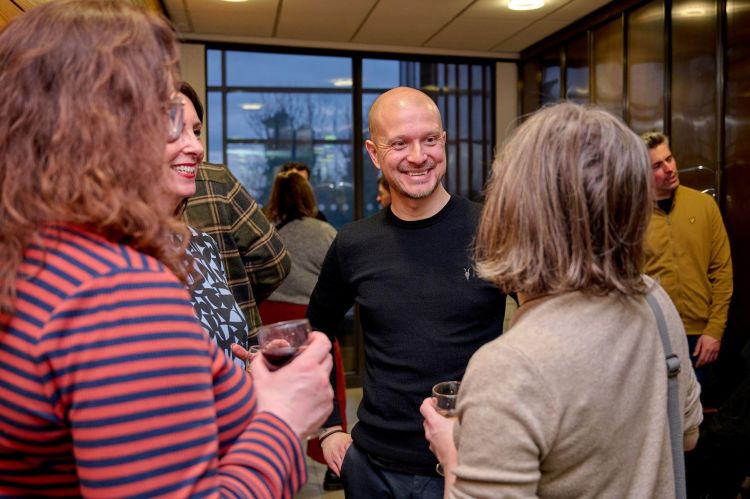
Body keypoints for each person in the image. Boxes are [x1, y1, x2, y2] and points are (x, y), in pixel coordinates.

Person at [0, 1, 332, 497]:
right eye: (165, 113)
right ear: (96, 127)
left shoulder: (34, 252)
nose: (195, 145)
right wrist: (283, 419)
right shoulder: (116, 288)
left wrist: (242, 386)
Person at [421, 103, 703, 497]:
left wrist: (452, 452)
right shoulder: (656, 303)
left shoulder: (509, 367)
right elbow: (686, 435)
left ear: (514, 213)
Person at [307, 87, 508, 498]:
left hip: (473, 462)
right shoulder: (354, 243)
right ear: (373, 152)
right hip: (373, 468)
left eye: (429, 139)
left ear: (444, 141)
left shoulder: (495, 229)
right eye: (399, 143)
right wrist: (328, 428)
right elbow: (317, 332)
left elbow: (548, 321)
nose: (418, 156)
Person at [260, 171, 345, 490]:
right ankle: (334, 461)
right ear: (308, 197)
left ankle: (273, 463)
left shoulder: (266, 232)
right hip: (309, 321)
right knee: (329, 385)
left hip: (269, 321)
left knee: (272, 395)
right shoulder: (324, 231)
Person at [641, 132, 733, 381]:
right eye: (657, 166)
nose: (669, 169)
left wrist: (715, 330)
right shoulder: (634, 216)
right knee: (658, 415)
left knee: (691, 414)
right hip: (653, 335)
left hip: (698, 336)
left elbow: (722, 272)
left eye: (669, 159)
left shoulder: (704, 206)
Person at [184, 154, 290, 341]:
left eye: (196, 132)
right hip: (235, 346)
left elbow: (273, 260)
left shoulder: (202, 240)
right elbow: (274, 261)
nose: (196, 146)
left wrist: (227, 303)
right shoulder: (212, 181)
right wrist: (235, 302)